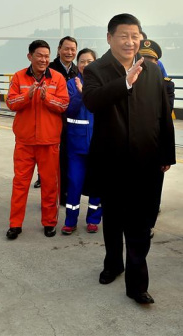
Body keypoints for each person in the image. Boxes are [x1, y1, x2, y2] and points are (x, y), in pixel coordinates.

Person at [82, 13, 175, 305]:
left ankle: (137, 285)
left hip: (147, 160)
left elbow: (163, 114)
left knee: (139, 223)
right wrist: (124, 81)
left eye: (135, 36)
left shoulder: (153, 70)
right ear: (110, 38)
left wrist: (167, 154)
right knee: (112, 218)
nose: (130, 41)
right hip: (111, 161)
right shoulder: (96, 69)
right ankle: (113, 264)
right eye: (124, 35)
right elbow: (93, 102)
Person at [6, 40, 69, 240]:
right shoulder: (18, 77)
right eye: (39, 55)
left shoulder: (57, 78)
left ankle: (49, 222)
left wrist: (46, 98)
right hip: (24, 142)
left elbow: (64, 105)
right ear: (30, 57)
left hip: (49, 142)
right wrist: (28, 95)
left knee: (50, 185)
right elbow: (10, 102)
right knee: (20, 184)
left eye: (46, 56)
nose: (43, 59)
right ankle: (15, 224)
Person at [61, 48, 102, 235]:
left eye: (90, 61)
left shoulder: (103, 85)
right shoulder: (70, 84)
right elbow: (69, 111)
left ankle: (93, 220)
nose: (86, 64)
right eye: (82, 61)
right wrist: (80, 93)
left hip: (98, 144)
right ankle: (70, 221)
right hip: (76, 145)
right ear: (78, 65)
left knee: (97, 185)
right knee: (74, 183)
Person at [139, 39, 175, 236]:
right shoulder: (128, 82)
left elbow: (166, 123)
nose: (145, 62)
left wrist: (167, 155)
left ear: (157, 62)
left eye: (150, 59)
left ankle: (148, 224)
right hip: (133, 147)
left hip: (155, 145)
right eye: (142, 58)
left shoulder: (166, 86)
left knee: (153, 189)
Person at [39, 36, 79, 196]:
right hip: (53, 123)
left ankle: (67, 192)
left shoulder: (78, 70)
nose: (69, 52)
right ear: (59, 49)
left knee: (69, 158)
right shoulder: (48, 69)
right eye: (66, 48)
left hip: (73, 124)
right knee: (53, 162)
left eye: (73, 49)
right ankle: (56, 194)